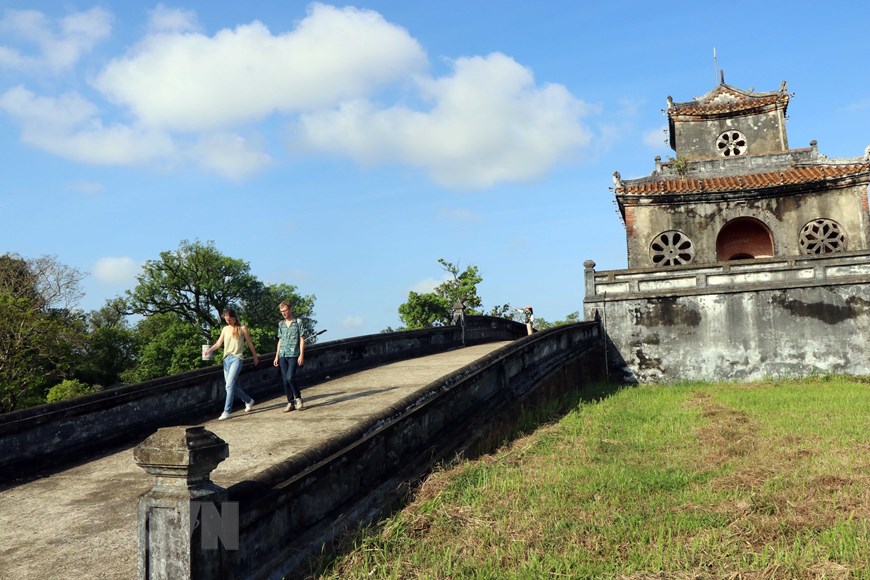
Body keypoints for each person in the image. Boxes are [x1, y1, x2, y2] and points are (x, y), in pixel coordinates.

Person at [204, 308, 259, 420]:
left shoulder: (242, 329)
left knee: (229, 385)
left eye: (229, 319)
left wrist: (255, 356)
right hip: (226, 359)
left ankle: (227, 411)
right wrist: (210, 350)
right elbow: (219, 343)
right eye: (226, 319)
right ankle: (249, 400)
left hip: (237, 358)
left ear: (234, 318)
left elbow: (249, 343)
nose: (227, 321)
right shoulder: (225, 329)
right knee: (230, 386)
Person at [274, 301, 306, 412]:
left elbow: (302, 339)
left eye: (285, 311)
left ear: (290, 309)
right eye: (282, 311)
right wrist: (276, 355)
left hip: (293, 353)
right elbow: (280, 339)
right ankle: (290, 402)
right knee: (284, 380)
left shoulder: (298, 322)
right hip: (283, 353)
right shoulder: (281, 324)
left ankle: (298, 398)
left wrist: (301, 354)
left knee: (290, 377)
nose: (284, 313)